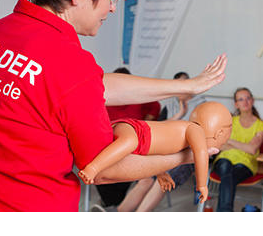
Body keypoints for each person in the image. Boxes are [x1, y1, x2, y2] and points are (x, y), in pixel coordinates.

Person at [0, 0, 227, 212]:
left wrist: (187, 85)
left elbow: (89, 86)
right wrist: (189, 156)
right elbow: (104, 169)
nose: (113, 8)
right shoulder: (68, 63)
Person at [92, 72, 209, 212]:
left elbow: (200, 139)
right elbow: (159, 129)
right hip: (165, 149)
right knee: (145, 178)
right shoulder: (171, 105)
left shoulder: (202, 107)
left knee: (162, 182)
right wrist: (178, 115)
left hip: (187, 153)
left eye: (183, 84)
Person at [78, 101, 232, 203]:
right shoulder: (195, 129)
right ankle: (93, 168)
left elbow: (159, 152)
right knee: (129, 142)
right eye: (223, 140)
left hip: (140, 142)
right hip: (137, 132)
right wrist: (202, 185)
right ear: (218, 133)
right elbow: (201, 155)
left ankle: (98, 172)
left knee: (124, 163)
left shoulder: (185, 134)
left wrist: (161, 172)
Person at [96, 67, 160, 207]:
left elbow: (155, 106)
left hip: (132, 145)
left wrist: (145, 123)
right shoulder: (102, 97)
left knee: (129, 171)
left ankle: (114, 205)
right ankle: (111, 204)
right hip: (107, 144)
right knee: (103, 169)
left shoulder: (137, 97)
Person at [213, 87, 263, 212]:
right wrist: (244, 146)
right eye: (241, 99)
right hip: (224, 159)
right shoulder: (229, 121)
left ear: (252, 101)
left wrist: (230, 141)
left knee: (228, 176)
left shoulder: (261, 125)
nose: (245, 102)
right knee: (227, 170)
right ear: (236, 104)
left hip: (246, 163)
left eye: (248, 98)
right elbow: (220, 146)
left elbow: (253, 149)